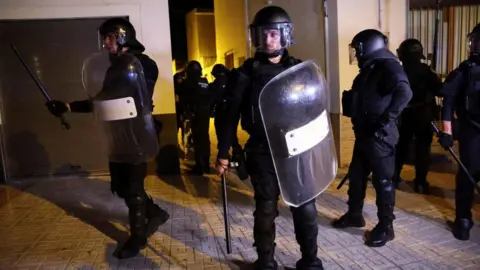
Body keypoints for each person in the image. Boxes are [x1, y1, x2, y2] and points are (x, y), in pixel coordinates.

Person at [45, 17, 169, 258]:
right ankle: (155, 213)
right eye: (104, 38)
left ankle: (138, 238)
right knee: (120, 187)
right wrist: (68, 106)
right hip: (117, 134)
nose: (105, 42)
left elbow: (137, 94)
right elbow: (101, 99)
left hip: (137, 133)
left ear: (123, 36)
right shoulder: (113, 68)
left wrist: (112, 97)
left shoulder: (144, 64)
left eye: (110, 37)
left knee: (133, 190)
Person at [216, 6, 327, 270]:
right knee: (265, 208)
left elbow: (313, 109)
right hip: (262, 150)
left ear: (285, 35)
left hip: (296, 148)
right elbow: (229, 116)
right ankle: (265, 261)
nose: (268, 40)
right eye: (264, 35)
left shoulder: (299, 70)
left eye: (274, 35)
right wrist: (223, 152)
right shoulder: (245, 74)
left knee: (305, 206)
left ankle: (310, 260)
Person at [334, 29, 412, 247]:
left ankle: (387, 227)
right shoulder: (371, 69)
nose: (356, 53)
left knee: (383, 182)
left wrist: (385, 120)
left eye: (357, 48)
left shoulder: (389, 66)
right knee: (357, 177)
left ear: (367, 47)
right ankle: (354, 215)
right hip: (365, 134)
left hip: (380, 136)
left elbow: (405, 92)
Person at [437, 23, 480, 241]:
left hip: (472, 130)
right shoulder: (466, 69)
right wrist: (447, 131)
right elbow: (449, 102)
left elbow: (449, 102)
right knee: (467, 175)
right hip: (472, 131)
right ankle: (463, 218)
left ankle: (466, 218)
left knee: (469, 175)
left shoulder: (467, 68)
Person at [394, 39, 442, 193]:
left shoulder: (398, 72)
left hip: (404, 115)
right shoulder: (427, 73)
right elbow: (440, 91)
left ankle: (394, 178)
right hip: (423, 115)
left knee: (400, 147)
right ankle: (420, 183)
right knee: (423, 150)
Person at [182, 60, 213, 175]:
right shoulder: (204, 81)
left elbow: (184, 98)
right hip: (205, 113)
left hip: (195, 114)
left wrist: (187, 112)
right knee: (205, 138)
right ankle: (206, 165)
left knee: (198, 139)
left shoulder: (189, 82)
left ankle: (199, 167)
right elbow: (210, 96)